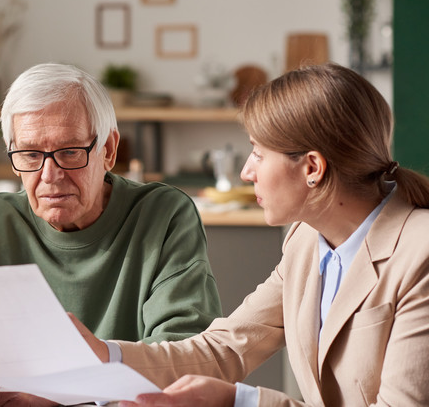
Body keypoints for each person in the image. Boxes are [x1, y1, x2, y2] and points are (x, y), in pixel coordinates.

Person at [74, 63, 429, 407]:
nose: (246, 171)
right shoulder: (305, 241)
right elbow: (225, 349)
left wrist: (241, 402)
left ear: (312, 167)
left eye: (258, 153)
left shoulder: (420, 254)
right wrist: (104, 355)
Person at [0, 62, 223, 406]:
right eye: (31, 154)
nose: (50, 175)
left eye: (69, 152)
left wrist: (67, 396)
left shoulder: (163, 215)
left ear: (108, 151)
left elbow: (187, 354)